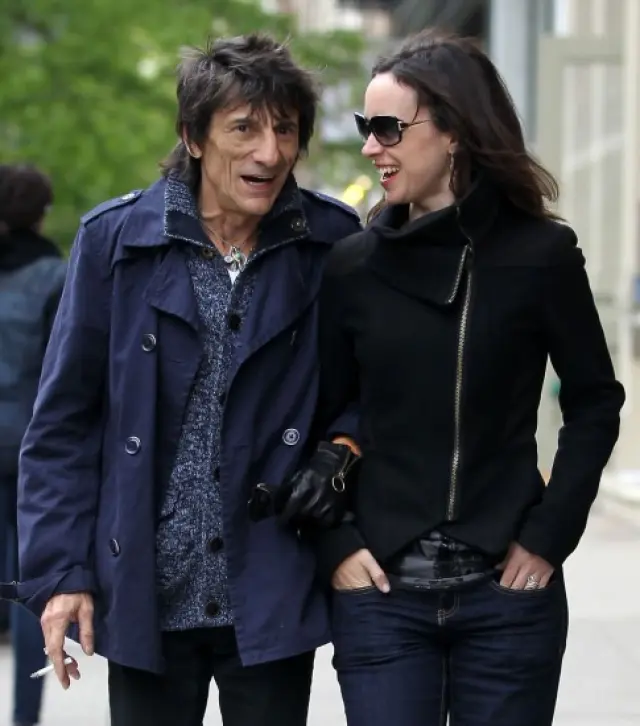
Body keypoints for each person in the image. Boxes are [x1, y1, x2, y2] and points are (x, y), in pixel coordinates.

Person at [0, 34, 362, 726]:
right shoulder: (115, 242)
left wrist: (341, 451)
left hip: (270, 583)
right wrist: (62, 572)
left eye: (286, 130)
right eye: (244, 128)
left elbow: (370, 394)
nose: (270, 152)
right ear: (193, 137)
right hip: (147, 591)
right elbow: (64, 425)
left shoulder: (332, 245)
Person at [276, 29, 626, 726]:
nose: (371, 147)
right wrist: (337, 544)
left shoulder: (542, 256)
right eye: (366, 127)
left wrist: (551, 532)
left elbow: (595, 402)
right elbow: (321, 414)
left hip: (508, 602)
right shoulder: (352, 267)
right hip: (382, 601)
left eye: (388, 128)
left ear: (456, 132)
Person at [0, 164, 67, 726]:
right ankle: (24, 718)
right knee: (25, 586)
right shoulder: (55, 277)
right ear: (40, 215)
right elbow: (60, 375)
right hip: (27, 451)